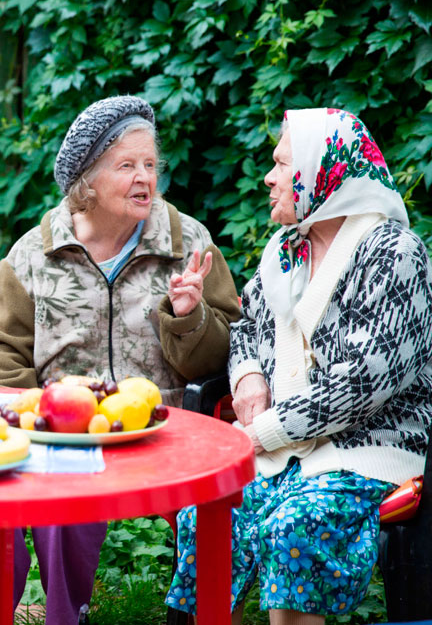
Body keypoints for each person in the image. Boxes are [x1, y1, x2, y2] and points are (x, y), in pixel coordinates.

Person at [0, 95, 241, 625]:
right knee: (58, 508)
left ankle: (194, 609)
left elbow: (229, 354)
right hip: (65, 429)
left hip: (166, 426)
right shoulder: (33, 253)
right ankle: (65, 614)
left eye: (150, 165)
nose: (144, 178)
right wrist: (33, 414)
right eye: (126, 166)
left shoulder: (189, 244)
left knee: (214, 510)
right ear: (86, 183)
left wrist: (190, 314)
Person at [165, 108, 432, 623]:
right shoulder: (286, 251)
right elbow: (247, 329)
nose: (269, 177)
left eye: (282, 164)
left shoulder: (395, 255)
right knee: (209, 511)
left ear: (322, 172)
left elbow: (357, 384)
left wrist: (259, 432)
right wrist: (246, 375)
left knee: (294, 525)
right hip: (286, 450)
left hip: (366, 450)